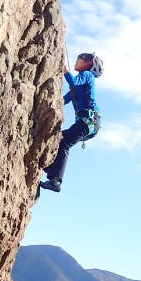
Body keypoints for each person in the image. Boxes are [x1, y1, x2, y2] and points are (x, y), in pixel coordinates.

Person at [40, 52, 103, 192]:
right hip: (88, 123)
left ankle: (55, 181)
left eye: (80, 59)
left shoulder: (88, 76)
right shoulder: (78, 87)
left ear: (87, 64)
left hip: (89, 121)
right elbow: (65, 100)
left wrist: (64, 70)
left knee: (65, 143)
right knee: (59, 138)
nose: (76, 61)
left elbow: (73, 82)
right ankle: (50, 167)